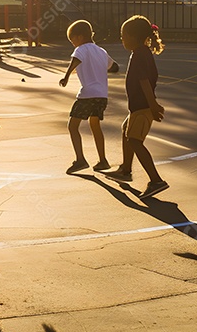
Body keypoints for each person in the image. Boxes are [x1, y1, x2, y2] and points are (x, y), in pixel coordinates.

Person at [111, 15, 168, 199]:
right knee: (125, 130)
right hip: (138, 107)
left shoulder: (140, 54)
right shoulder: (141, 52)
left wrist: (152, 105)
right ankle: (126, 169)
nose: (122, 39)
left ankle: (156, 181)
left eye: (124, 36)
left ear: (134, 37)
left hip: (143, 107)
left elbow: (144, 81)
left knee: (135, 141)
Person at [59, 19, 118, 174]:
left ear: (79, 37)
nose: (72, 43)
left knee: (72, 126)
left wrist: (66, 76)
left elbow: (75, 60)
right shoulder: (101, 51)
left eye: (72, 39)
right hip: (102, 96)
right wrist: (99, 67)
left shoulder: (81, 49)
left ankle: (80, 160)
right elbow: (114, 67)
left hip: (87, 95)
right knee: (95, 126)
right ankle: (103, 160)